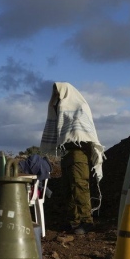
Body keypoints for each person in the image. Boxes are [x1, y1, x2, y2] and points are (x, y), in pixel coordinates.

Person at [40, 82, 105, 235]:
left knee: (80, 186)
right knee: (68, 188)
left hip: (79, 152)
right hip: (67, 153)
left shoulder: (79, 106)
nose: (56, 96)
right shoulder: (62, 107)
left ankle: (86, 221)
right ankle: (74, 221)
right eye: (54, 93)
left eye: (58, 92)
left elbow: (81, 129)